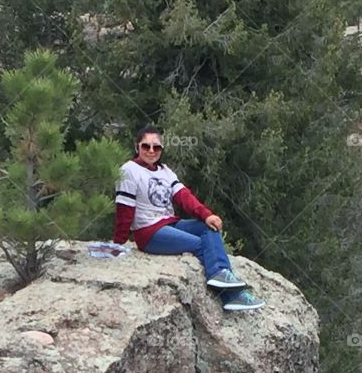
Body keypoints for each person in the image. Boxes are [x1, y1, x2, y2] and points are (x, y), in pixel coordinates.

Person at [111, 126, 265, 311]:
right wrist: (117, 245)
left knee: (209, 228)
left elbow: (184, 197)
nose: (151, 151)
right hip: (149, 232)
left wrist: (207, 215)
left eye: (156, 147)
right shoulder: (129, 170)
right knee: (200, 244)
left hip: (170, 223)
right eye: (146, 146)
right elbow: (125, 210)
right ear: (137, 147)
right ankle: (231, 296)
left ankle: (222, 274)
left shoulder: (165, 171)